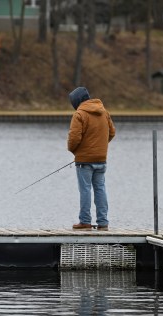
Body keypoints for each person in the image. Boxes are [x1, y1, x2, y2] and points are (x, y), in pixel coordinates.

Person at [67, 87, 116, 231]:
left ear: (77, 101)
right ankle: (103, 223)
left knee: (85, 190)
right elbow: (112, 132)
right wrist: (99, 146)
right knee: (100, 189)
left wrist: (75, 151)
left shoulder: (79, 114)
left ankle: (85, 221)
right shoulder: (104, 112)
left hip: (84, 161)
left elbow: (73, 138)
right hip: (101, 159)